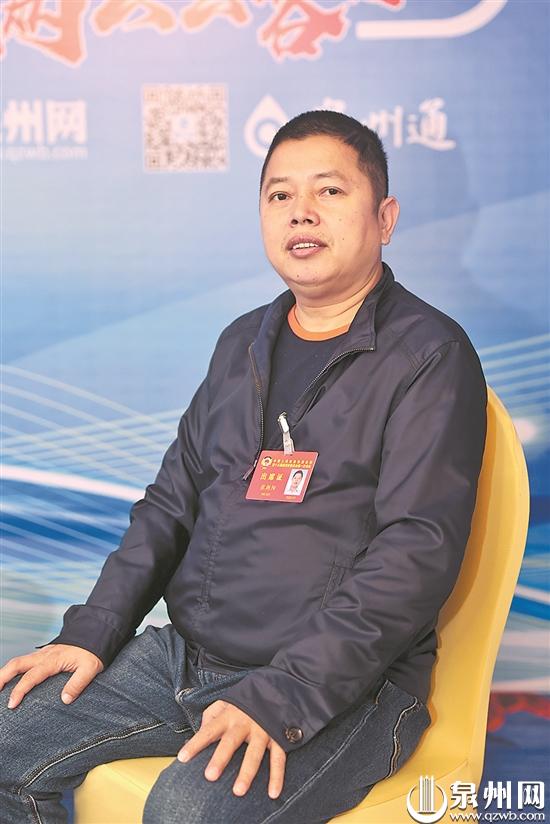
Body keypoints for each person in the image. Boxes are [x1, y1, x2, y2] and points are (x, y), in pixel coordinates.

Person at [0, 110, 487, 824]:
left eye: (330, 191)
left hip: (342, 687)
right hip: (186, 660)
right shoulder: (242, 343)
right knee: (6, 737)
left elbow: (415, 553)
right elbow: (171, 503)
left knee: (187, 810)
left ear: (385, 217)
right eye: (280, 194)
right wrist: (92, 630)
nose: (302, 211)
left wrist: (281, 693)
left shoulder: (430, 356)